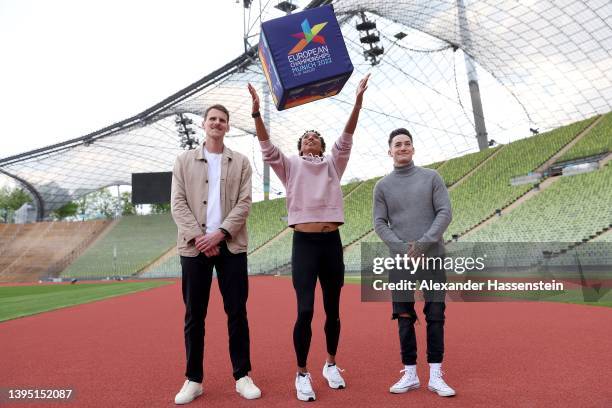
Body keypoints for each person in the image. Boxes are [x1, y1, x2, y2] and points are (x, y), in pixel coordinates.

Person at [247, 74, 369, 402]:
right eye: (306, 137)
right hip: (304, 245)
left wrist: (357, 102)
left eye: (316, 136)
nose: (311, 138)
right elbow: (267, 148)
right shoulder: (289, 166)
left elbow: (347, 135)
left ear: (322, 146)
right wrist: (257, 114)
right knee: (304, 311)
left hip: (331, 244)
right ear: (300, 146)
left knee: (333, 310)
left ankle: (330, 364)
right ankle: (302, 373)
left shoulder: (333, 164)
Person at [171, 104, 261, 404]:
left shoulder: (241, 162)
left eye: (222, 120)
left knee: (237, 312)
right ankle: (193, 379)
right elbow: (178, 204)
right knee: (194, 315)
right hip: (194, 248)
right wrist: (200, 238)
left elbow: (245, 203)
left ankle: (242, 376)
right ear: (203, 124)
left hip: (231, 246)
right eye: (213, 119)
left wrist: (219, 234)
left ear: (228, 126)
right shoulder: (183, 161)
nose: (217, 124)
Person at [373, 128, 456, 397]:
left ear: (413, 148)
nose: (403, 147)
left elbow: (445, 212)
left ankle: (435, 375)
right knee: (404, 316)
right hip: (400, 262)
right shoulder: (382, 186)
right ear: (390, 150)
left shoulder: (432, 177)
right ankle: (410, 373)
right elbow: (379, 223)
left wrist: (423, 244)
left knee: (435, 315)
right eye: (397, 144)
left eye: (407, 143)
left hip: (431, 256)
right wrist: (401, 249)